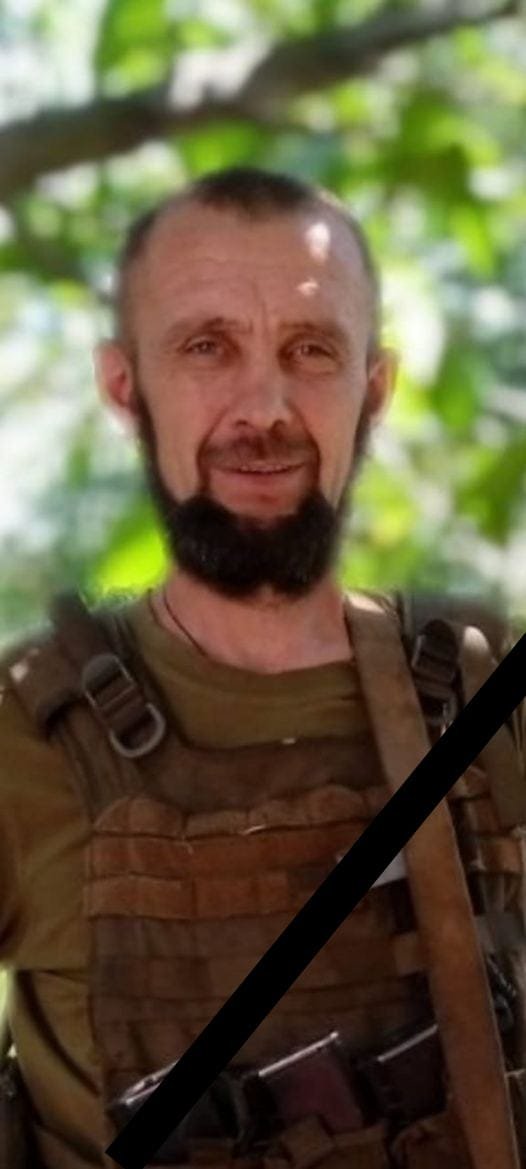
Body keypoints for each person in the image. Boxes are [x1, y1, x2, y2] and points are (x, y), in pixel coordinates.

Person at [0, 166, 524, 1169]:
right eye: (207, 346)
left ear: (373, 390)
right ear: (126, 387)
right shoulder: (24, 732)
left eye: (311, 349)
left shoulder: (483, 684)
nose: (265, 406)